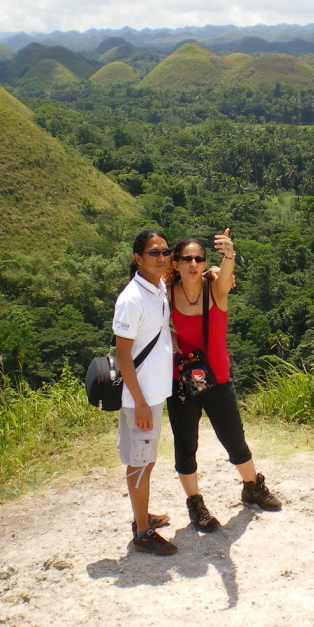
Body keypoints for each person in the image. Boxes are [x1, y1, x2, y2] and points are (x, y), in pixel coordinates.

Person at [166, 228, 282, 532]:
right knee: (186, 444)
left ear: (205, 263)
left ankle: (252, 486)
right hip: (181, 381)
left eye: (199, 258)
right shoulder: (165, 294)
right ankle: (195, 503)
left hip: (217, 378)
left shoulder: (215, 290)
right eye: (187, 258)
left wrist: (228, 255)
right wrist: (169, 333)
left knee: (234, 439)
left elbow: (227, 273)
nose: (193, 263)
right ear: (176, 263)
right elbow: (146, 320)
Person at [113, 229, 177, 556]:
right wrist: (138, 402)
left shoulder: (158, 287)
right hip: (139, 399)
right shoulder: (131, 299)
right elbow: (123, 354)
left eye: (166, 252)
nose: (162, 258)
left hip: (153, 395)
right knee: (139, 462)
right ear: (138, 258)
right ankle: (142, 532)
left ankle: (142, 515)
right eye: (154, 253)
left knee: (146, 459)